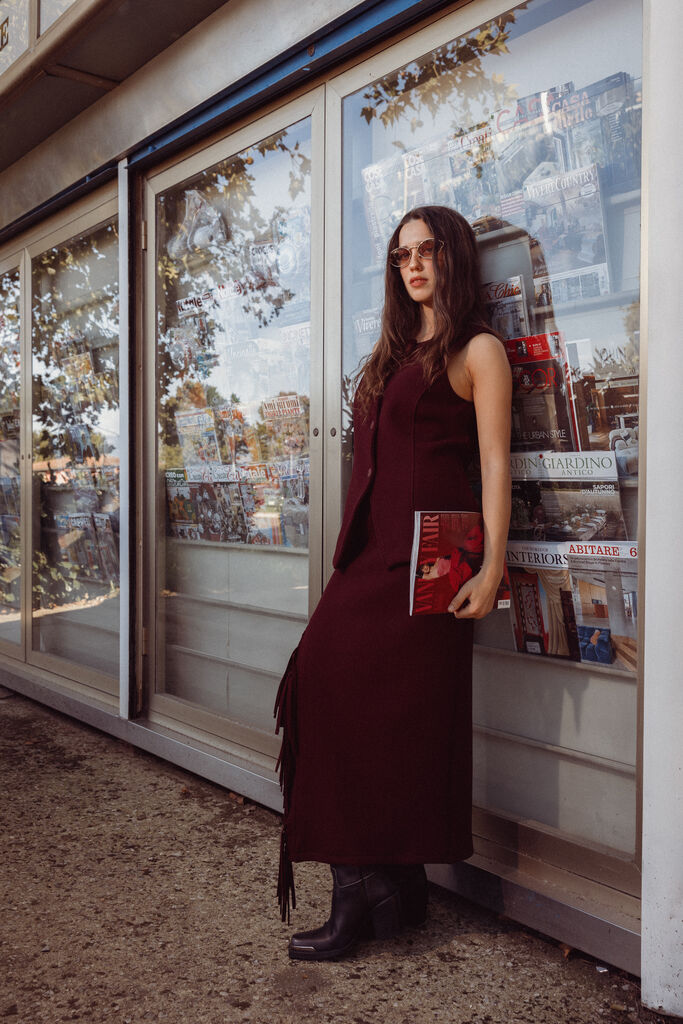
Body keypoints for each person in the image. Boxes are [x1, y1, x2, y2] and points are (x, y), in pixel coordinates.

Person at [274, 205, 512, 961]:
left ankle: (370, 893)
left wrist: (494, 563)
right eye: (400, 253)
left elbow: (496, 462)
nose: (412, 265)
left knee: (399, 728)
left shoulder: (477, 351)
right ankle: (384, 886)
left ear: (454, 258)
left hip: (430, 570)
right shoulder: (387, 355)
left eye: (428, 250)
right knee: (321, 686)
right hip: (367, 561)